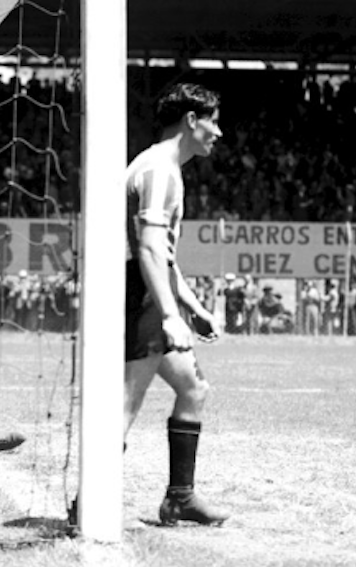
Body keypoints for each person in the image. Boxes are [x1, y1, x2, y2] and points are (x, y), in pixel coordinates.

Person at [115, 83, 231, 526]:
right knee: (124, 405)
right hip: (139, 292)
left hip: (146, 288)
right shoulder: (160, 170)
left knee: (194, 388)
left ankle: (180, 498)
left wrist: (192, 307)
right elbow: (146, 251)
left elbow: (160, 253)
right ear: (191, 120)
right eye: (213, 121)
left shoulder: (156, 165)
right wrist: (167, 314)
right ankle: (90, 503)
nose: (218, 133)